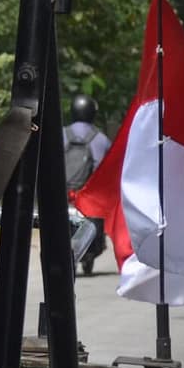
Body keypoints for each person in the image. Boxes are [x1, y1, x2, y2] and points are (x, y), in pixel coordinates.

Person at [65, 95, 112, 275]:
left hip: (64, 193)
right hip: (88, 196)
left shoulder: (60, 134)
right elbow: (106, 171)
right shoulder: (100, 139)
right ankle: (89, 254)